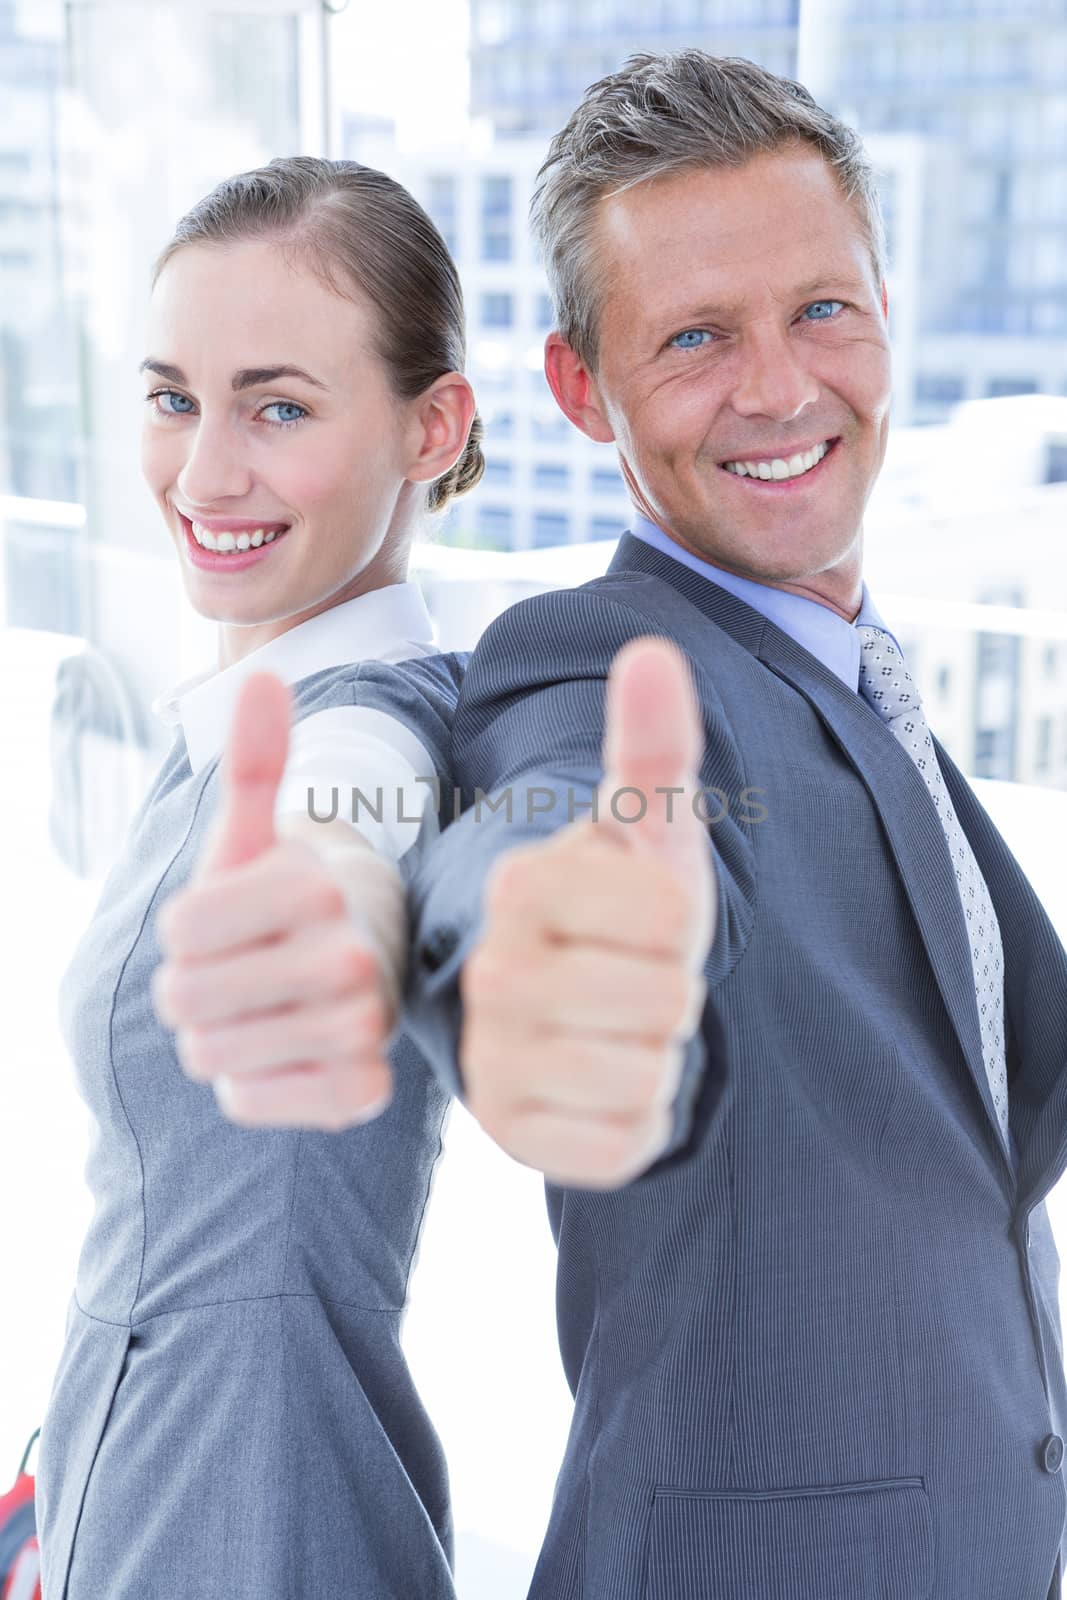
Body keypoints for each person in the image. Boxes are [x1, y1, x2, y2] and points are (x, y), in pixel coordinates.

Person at [399, 51, 1067, 1600]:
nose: (777, 389)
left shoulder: (858, 671)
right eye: (696, 337)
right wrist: (547, 960)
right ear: (583, 391)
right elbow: (552, 822)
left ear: (886, 308)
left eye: (821, 309)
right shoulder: (599, 663)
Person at [34, 154, 481, 1600]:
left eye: (278, 407)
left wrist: (329, 896)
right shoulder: (225, 712)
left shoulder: (363, 720)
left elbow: (350, 820)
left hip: (254, 1532)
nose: (205, 470)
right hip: (137, 1486)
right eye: (176, 398)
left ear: (434, 427)